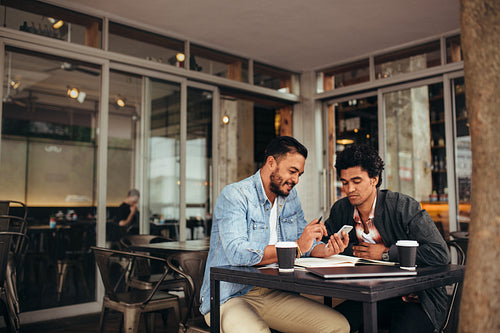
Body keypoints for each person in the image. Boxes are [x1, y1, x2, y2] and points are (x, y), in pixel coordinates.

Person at [199, 136, 350, 333]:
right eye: (292, 171)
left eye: (299, 174)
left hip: (273, 291)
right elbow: (238, 253)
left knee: (337, 327)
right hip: (229, 296)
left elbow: (305, 244)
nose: (295, 180)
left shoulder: (290, 197)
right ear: (271, 162)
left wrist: (325, 249)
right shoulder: (235, 195)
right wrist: (296, 246)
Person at [324, 144, 450, 333]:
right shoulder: (341, 209)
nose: (349, 189)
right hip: (370, 295)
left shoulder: (403, 206)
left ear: (374, 180)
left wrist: (385, 254)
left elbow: (440, 253)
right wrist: (323, 241)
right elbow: (325, 242)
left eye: (356, 181)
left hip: (416, 298)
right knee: (330, 325)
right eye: (344, 182)